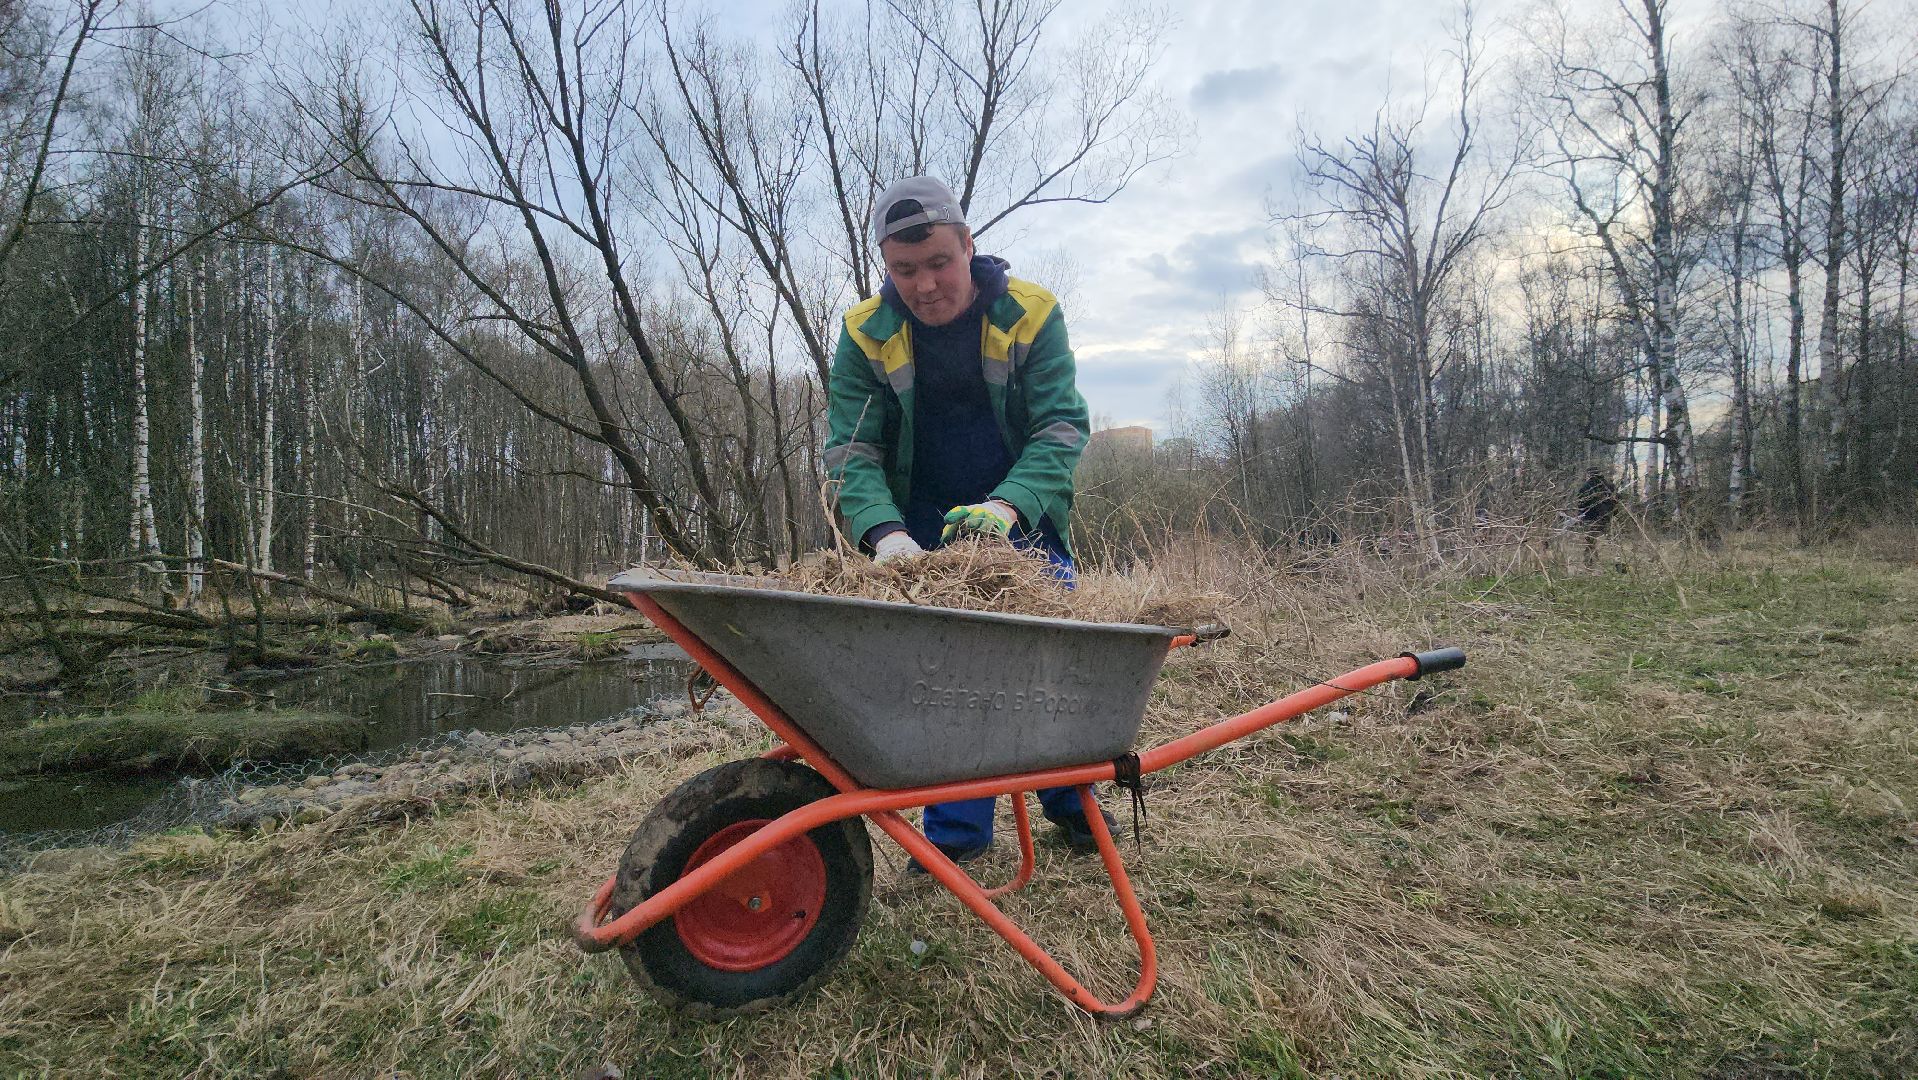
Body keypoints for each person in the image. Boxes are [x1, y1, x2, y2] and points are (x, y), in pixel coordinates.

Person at [823, 175, 1112, 870]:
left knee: (1056, 672)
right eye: (905, 269)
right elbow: (849, 451)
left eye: (940, 263)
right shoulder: (864, 334)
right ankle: (956, 844)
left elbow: (1061, 427)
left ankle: (1077, 814)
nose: (925, 285)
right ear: (886, 268)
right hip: (918, 534)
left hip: (1024, 519)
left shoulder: (1031, 313)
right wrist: (885, 536)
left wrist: (1007, 508)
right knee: (944, 680)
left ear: (969, 246)